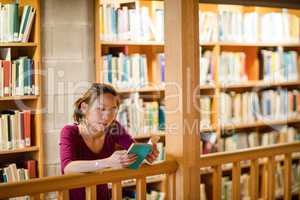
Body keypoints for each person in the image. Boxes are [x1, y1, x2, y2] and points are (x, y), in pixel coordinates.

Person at [59, 83, 159, 200]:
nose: (107, 116)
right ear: (84, 108)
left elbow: (133, 148)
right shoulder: (69, 132)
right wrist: (107, 162)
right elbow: (68, 168)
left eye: (113, 109)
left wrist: (146, 153)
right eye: (101, 109)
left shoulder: (114, 128)